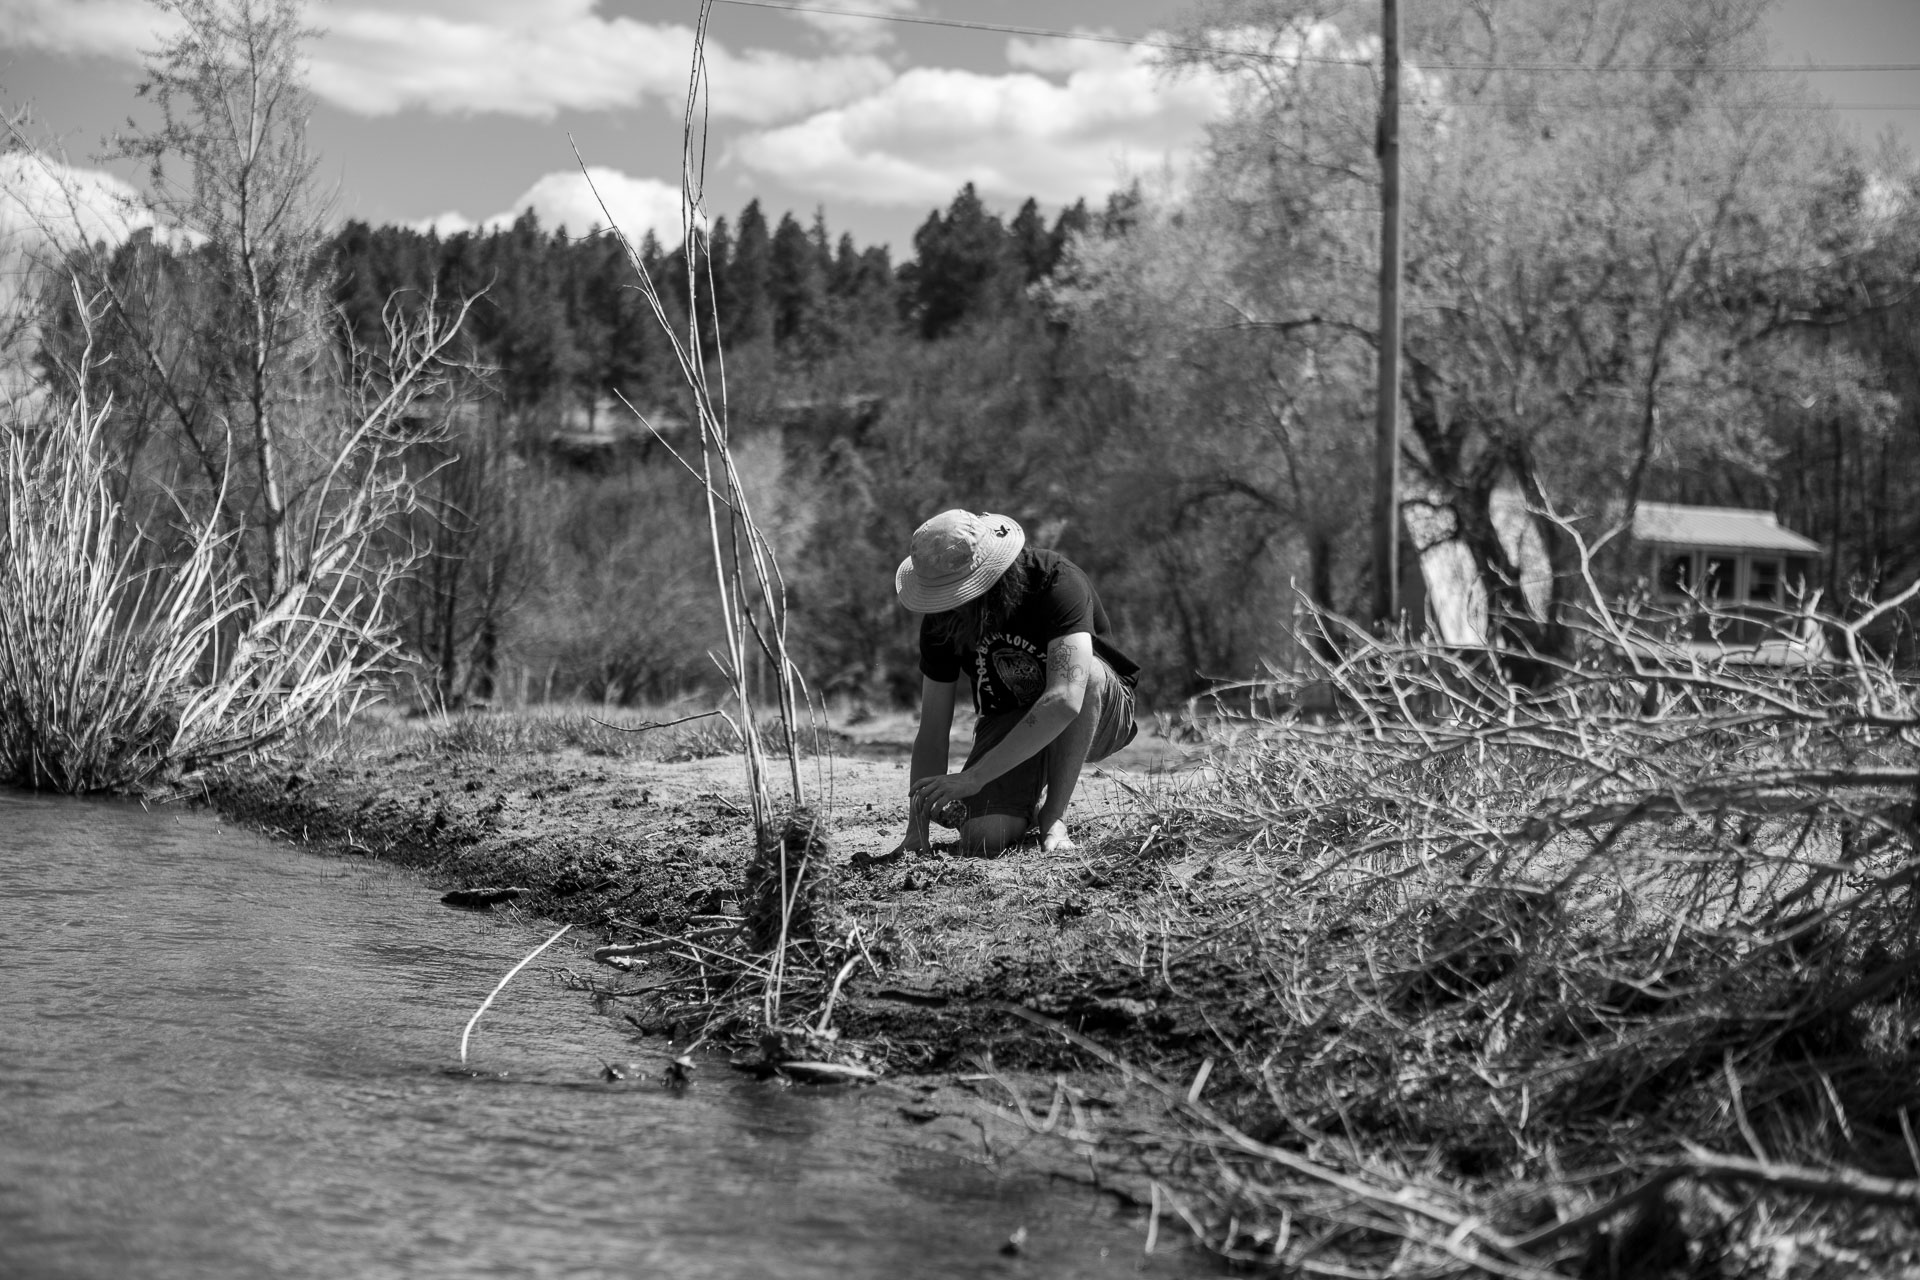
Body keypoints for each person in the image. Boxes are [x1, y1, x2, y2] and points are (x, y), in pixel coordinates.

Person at [881, 509, 1139, 859]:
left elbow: (1065, 698)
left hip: (1098, 713)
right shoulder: (941, 620)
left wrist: (975, 777)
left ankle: (1053, 817)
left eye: (959, 593)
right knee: (982, 839)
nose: (950, 605)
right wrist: (916, 831)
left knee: (1086, 673)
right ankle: (1022, 806)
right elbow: (931, 732)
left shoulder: (1055, 581)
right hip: (1012, 718)